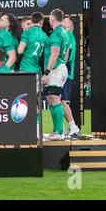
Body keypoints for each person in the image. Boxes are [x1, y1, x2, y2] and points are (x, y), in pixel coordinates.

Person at [42, 9, 69, 141]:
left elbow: (55, 54)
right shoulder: (64, 33)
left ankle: (59, 131)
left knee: (54, 98)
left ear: (52, 19)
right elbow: (66, 53)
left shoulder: (56, 34)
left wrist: (47, 72)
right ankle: (56, 130)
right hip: (59, 67)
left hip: (56, 69)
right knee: (51, 99)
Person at [62, 15, 81, 138]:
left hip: (64, 73)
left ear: (70, 25)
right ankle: (63, 129)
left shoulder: (68, 35)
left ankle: (73, 127)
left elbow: (66, 56)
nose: (62, 21)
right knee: (59, 101)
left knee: (61, 101)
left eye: (65, 20)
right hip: (67, 73)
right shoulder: (72, 37)